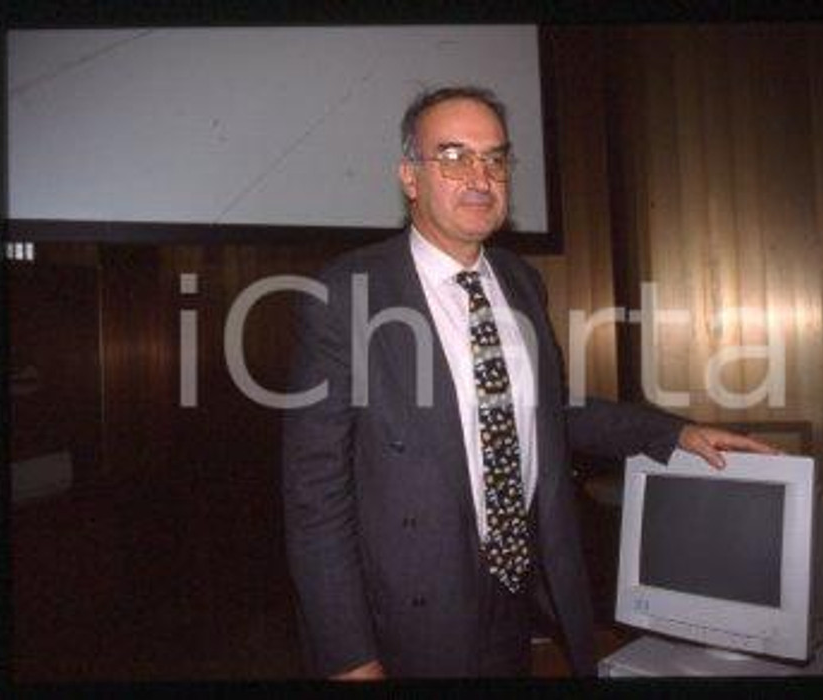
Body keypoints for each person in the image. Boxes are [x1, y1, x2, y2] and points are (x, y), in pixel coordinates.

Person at [281, 85, 774, 680]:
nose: (480, 176)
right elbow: (315, 497)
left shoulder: (519, 281)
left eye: (494, 159)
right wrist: (349, 656)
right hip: (410, 618)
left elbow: (546, 411)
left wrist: (674, 432)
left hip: (517, 596)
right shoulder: (348, 291)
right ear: (410, 177)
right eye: (454, 156)